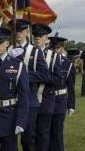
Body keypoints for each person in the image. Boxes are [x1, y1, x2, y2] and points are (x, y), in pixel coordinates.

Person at [8, 19, 49, 151]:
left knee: (28, 139)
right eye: (15, 31)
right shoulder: (7, 50)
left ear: (27, 31)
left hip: (29, 100)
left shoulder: (35, 51)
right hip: (10, 100)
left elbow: (45, 75)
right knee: (8, 139)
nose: (17, 33)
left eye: (20, 31)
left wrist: (22, 75)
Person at [32, 23, 62, 151]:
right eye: (35, 36)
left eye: (40, 36)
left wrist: (33, 76)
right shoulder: (27, 54)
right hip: (29, 99)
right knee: (29, 136)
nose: (37, 38)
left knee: (43, 135)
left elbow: (57, 79)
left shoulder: (53, 56)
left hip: (46, 100)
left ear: (46, 38)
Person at [48, 37, 76, 151]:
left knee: (58, 129)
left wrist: (71, 105)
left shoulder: (68, 64)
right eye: (52, 47)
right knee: (46, 130)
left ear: (62, 48)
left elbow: (71, 86)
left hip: (60, 100)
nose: (55, 49)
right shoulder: (44, 61)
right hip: (46, 99)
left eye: (57, 47)